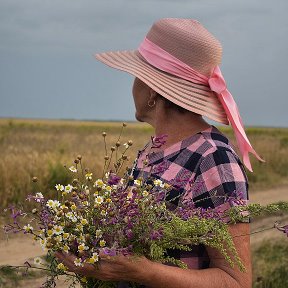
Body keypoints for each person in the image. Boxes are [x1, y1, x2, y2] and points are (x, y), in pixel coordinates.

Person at [56, 18, 264, 287]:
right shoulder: (152, 149)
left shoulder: (213, 159)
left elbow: (236, 281)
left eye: (137, 75)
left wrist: (144, 272)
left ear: (152, 89)